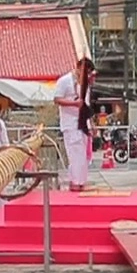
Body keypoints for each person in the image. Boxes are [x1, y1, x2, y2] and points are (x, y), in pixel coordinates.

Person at [54, 57, 95, 191]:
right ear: (79, 68)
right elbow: (57, 99)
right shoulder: (65, 81)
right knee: (75, 154)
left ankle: (79, 182)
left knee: (83, 156)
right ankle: (76, 183)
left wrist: (92, 124)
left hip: (83, 123)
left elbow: (87, 105)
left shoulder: (84, 85)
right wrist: (74, 103)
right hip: (70, 123)